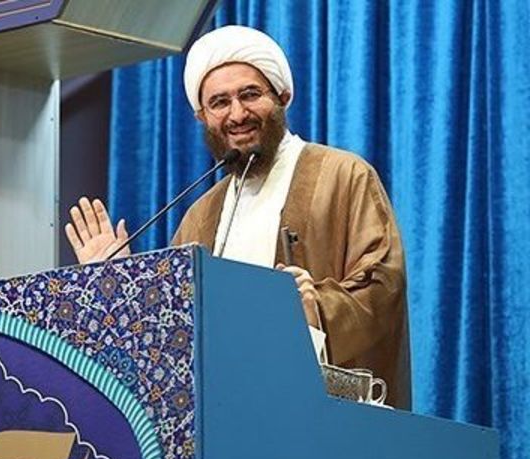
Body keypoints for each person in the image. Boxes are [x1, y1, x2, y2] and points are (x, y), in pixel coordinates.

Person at [64, 25, 411, 409]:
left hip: (321, 412)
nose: (237, 114)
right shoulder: (200, 215)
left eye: (250, 95)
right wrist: (121, 282)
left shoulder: (343, 176)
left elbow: (382, 286)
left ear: (282, 97)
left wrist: (315, 311)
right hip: (224, 414)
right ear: (202, 116)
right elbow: (174, 331)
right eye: (219, 103)